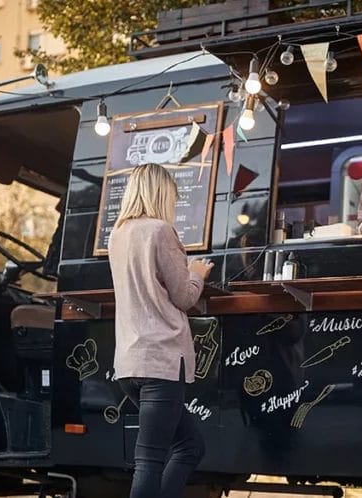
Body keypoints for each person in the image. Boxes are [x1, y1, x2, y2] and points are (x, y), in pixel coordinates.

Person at [108, 163, 214, 498]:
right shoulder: (160, 231)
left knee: (189, 446)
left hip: (129, 364)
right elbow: (184, 297)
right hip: (160, 361)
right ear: (161, 193)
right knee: (150, 461)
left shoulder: (117, 235)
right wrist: (197, 271)